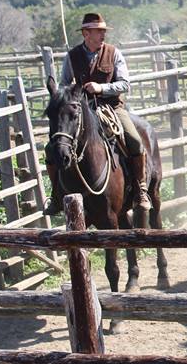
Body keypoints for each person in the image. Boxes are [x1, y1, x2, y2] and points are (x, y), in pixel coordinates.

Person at [43, 13, 151, 214]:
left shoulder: (114, 53)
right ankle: (56, 194)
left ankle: (140, 189)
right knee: (52, 148)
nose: (103, 35)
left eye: (103, 31)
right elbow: (64, 86)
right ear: (86, 33)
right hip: (81, 112)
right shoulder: (72, 56)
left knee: (134, 139)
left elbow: (125, 84)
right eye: (98, 31)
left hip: (112, 108)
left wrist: (101, 88)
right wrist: (70, 94)